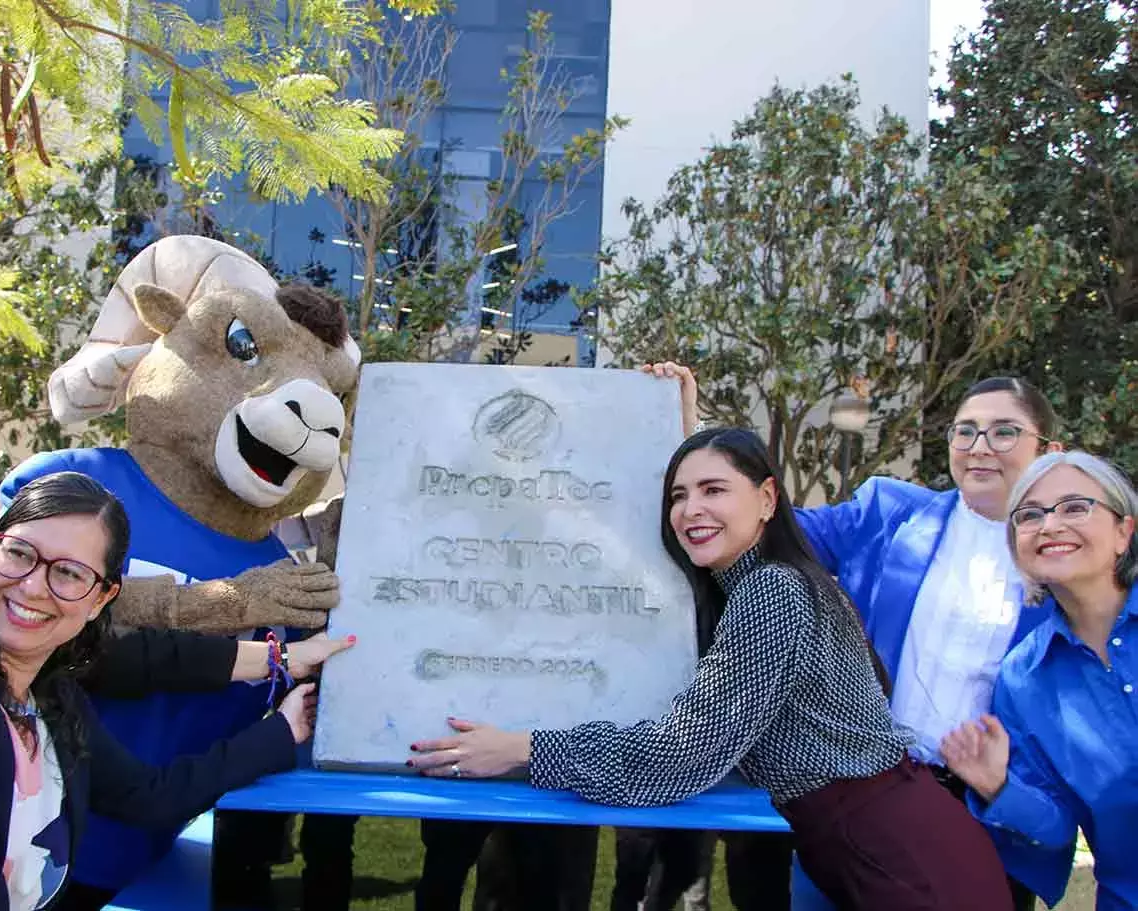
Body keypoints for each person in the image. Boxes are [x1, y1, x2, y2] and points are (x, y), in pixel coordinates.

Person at [409, 427, 1013, 910]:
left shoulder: (772, 592)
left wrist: (521, 748)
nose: (691, 509)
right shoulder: (758, 587)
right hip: (860, 849)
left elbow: (683, 755)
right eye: (678, 495)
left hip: (901, 858)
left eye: (714, 490)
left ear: (768, 499)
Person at [0, 469, 350, 909]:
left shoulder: (46, 690)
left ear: (103, 597)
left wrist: (281, 728)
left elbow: (149, 794)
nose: (33, 587)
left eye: (69, 573)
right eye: (21, 554)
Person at [662, 363, 1064, 909]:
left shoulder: (1068, 566)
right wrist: (688, 429)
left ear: (1050, 450)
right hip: (864, 789)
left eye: (1005, 431)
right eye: (965, 430)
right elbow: (755, 520)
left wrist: (1003, 790)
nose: (980, 446)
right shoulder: (891, 515)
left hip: (987, 814)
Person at [941, 450, 1138, 910]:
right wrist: (998, 787)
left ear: (1124, 532)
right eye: (1029, 516)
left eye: (1074, 507)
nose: (1049, 525)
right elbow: (1054, 831)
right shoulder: (1023, 679)